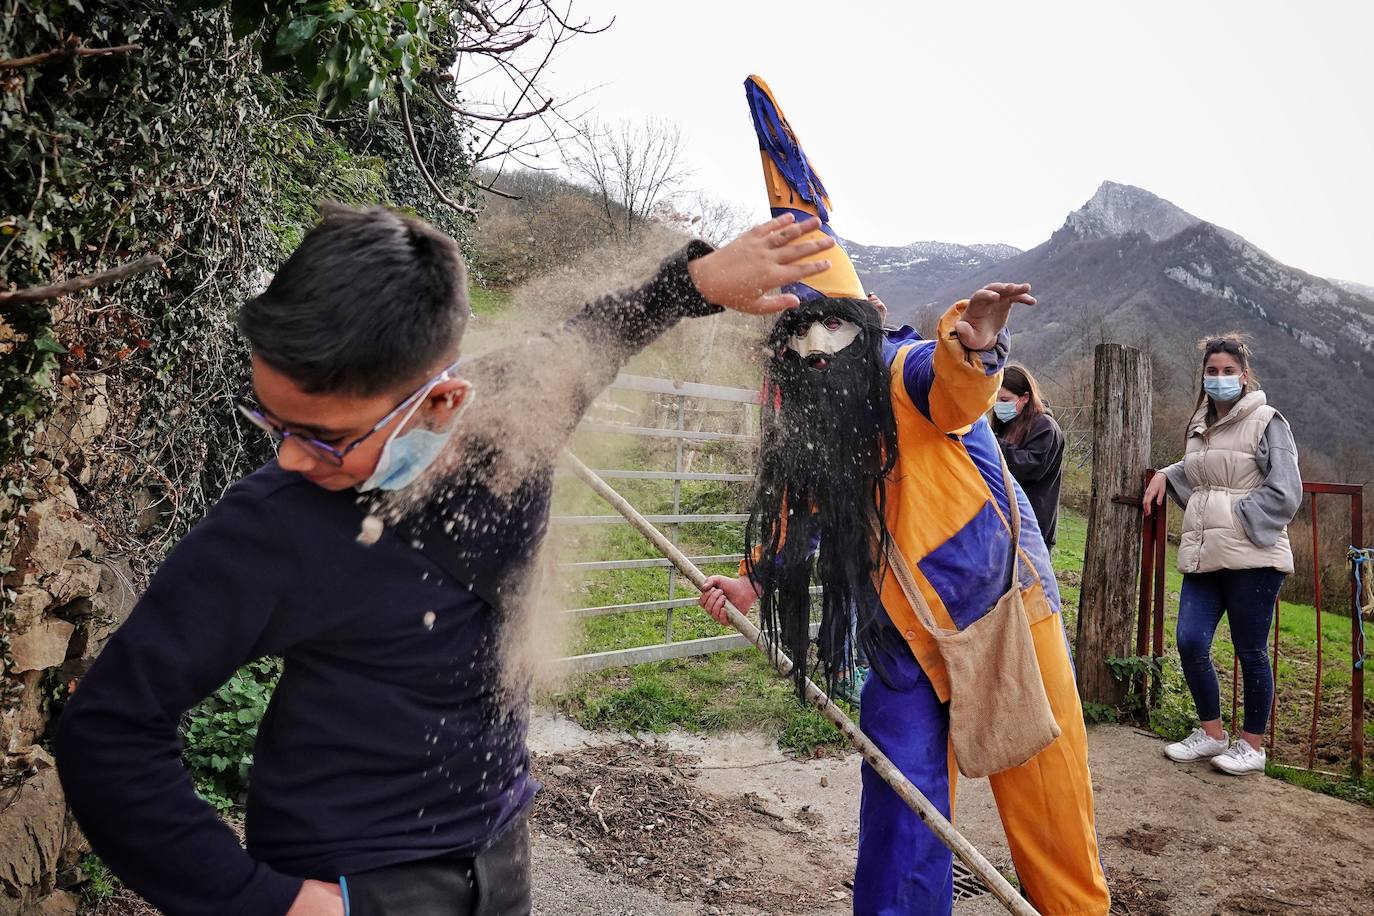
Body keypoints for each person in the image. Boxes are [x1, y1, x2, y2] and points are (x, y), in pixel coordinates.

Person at [53, 203, 835, 916]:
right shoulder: (269, 526)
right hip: (348, 881)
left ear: (442, 399)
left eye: (326, 437)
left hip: (500, 858)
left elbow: (599, 330)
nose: (289, 459)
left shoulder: (519, 411)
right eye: (272, 419)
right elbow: (107, 730)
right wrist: (265, 902)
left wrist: (699, 279)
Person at [700, 75, 1110, 916]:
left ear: (864, 319)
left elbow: (953, 389)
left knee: (1048, 804)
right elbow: (799, 513)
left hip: (999, 609)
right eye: (799, 334)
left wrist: (976, 342)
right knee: (901, 804)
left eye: (832, 328)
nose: (817, 349)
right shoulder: (809, 421)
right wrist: (754, 577)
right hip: (900, 636)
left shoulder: (903, 368)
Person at [1144, 334, 1301, 776]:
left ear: (1244, 376)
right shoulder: (1199, 424)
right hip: (1202, 551)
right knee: (1191, 641)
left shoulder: (1267, 420)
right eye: (1211, 371)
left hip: (1254, 554)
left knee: (1250, 650)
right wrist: (1167, 472)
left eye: (1228, 371)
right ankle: (1212, 735)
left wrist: (1238, 517)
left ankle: (1252, 747)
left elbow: (1287, 491)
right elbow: (1205, 470)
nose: (1219, 378)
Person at [990, 365, 1065, 548]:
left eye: (1005, 399)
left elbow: (1028, 467)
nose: (999, 404)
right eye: (996, 399)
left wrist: (991, 443)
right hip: (1006, 525)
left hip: (1033, 529)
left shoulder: (1045, 427)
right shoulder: (1007, 424)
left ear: (1025, 397)